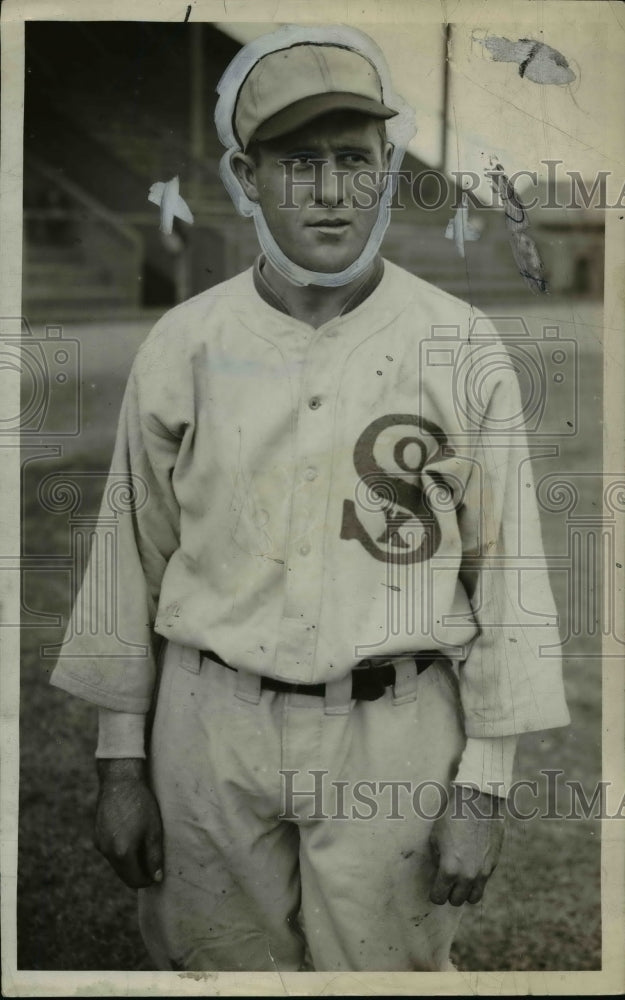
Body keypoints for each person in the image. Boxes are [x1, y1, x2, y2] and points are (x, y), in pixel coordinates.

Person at [50, 25, 570, 972]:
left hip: (395, 730)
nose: (330, 192)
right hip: (210, 727)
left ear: (384, 170)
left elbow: (507, 575)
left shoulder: (458, 341)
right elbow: (130, 559)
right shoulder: (186, 344)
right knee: (209, 973)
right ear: (246, 177)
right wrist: (120, 766)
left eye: (354, 160)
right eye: (297, 163)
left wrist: (483, 789)